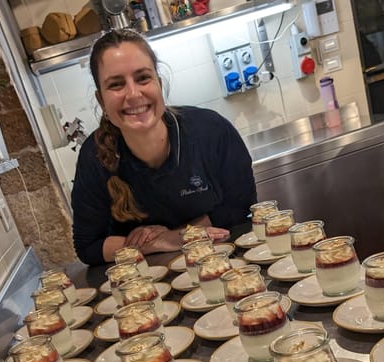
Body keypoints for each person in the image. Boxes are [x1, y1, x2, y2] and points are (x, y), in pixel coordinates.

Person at [72, 29, 258, 266]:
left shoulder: (212, 131)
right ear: (101, 101)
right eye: (117, 84)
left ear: (158, 84)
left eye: (142, 78)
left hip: (228, 270)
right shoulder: (94, 157)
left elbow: (240, 206)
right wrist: (158, 242)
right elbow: (88, 246)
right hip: (143, 290)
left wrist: (178, 236)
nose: (133, 93)